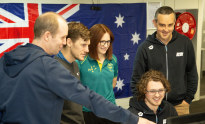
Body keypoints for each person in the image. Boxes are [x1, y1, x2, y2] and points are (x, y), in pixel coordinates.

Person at [0, 12, 155, 124]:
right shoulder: (48, 66)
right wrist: (133, 119)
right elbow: (88, 97)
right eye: (61, 38)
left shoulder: (5, 60)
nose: (63, 43)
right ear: (47, 36)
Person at [130, 6, 198, 116]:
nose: (166, 29)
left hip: (180, 106)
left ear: (175, 23)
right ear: (155, 23)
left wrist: (188, 99)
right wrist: (144, 104)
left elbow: (192, 73)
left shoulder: (185, 43)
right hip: (153, 107)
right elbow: (137, 79)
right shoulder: (145, 48)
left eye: (170, 25)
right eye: (162, 25)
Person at [77, 24, 119, 124]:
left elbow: (113, 84)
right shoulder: (81, 60)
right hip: (88, 112)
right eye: (102, 41)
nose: (105, 45)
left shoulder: (113, 59)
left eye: (108, 41)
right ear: (93, 41)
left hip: (110, 109)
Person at [55, 21, 90, 124]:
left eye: (88, 45)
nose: (87, 50)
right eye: (83, 45)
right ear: (69, 42)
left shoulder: (75, 64)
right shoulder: (55, 68)